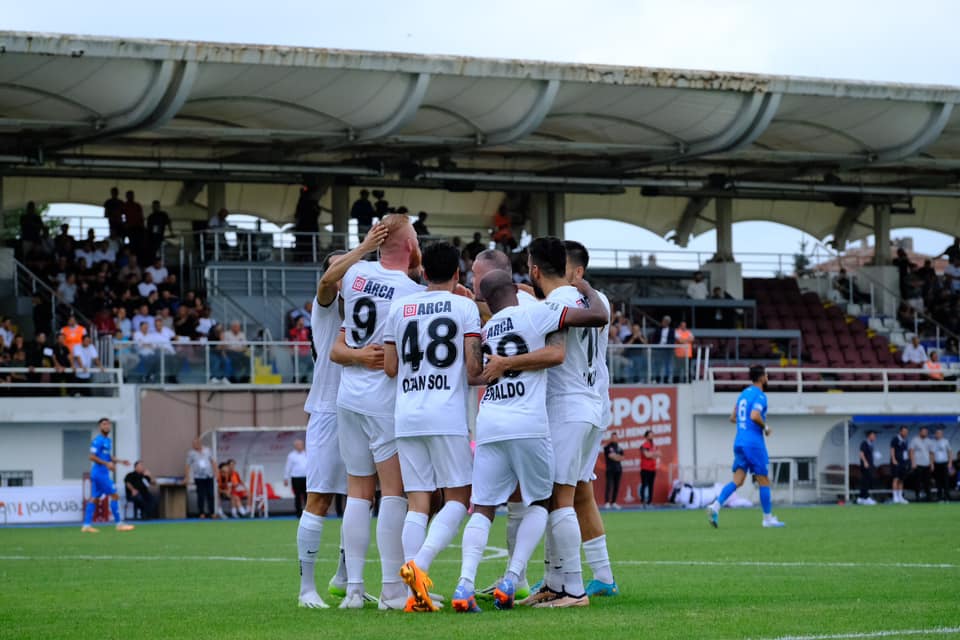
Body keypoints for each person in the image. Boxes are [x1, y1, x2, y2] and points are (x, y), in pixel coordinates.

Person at [452, 269, 607, 613]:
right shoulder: (536, 313)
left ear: (487, 301)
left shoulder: (487, 329)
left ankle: (464, 583)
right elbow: (586, 327)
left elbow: (474, 374)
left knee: (483, 508)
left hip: (490, 422)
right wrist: (585, 288)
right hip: (528, 422)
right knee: (541, 502)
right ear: (515, 288)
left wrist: (501, 364)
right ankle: (512, 578)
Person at [328, 213, 426, 610]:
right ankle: (391, 588)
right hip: (383, 399)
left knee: (357, 493)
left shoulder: (355, 274)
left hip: (348, 396)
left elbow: (330, 280)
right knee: (393, 493)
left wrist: (365, 249)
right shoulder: (409, 292)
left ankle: (354, 590)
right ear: (410, 246)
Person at [382, 242, 483, 612]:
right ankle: (418, 566)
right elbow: (473, 370)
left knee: (418, 502)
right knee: (459, 497)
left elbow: (390, 367)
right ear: (458, 274)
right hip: (446, 414)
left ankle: (414, 594)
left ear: (423, 272)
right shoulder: (464, 307)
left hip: (407, 413)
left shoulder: (399, 308)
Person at [295, 226, 387, 609]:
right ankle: (306, 589)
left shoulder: (369, 311)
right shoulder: (326, 307)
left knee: (361, 499)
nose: (346, 276)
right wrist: (364, 248)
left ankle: (345, 578)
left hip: (364, 407)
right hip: (328, 411)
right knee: (318, 498)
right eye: (341, 270)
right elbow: (327, 281)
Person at [707, 365, 786, 528]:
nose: (767, 378)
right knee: (763, 479)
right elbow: (755, 415)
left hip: (739, 441)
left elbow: (732, 417)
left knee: (738, 480)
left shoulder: (743, 394)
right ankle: (767, 519)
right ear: (762, 377)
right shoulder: (760, 396)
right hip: (753, 443)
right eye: (766, 375)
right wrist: (765, 427)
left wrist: (745, 424)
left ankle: (715, 506)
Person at [81, 418, 135, 533]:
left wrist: (120, 461)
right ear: (100, 427)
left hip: (100, 473)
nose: (107, 426)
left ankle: (86, 525)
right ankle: (119, 524)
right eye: (104, 424)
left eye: (108, 424)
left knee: (95, 498)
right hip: (100, 474)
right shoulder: (98, 440)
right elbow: (92, 457)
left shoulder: (108, 440)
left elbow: (108, 456)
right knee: (114, 496)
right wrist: (107, 464)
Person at [185, 438, 217, 519]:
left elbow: (213, 461)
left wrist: (215, 472)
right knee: (201, 495)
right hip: (198, 477)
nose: (194, 445)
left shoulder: (207, 450)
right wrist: (187, 476)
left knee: (210, 494)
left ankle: (212, 512)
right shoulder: (191, 453)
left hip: (209, 475)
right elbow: (187, 465)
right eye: (193, 444)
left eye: (195, 444)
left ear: (199, 444)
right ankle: (201, 513)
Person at [284, 439, 308, 517]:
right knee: (297, 496)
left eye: (301, 444)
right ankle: (298, 513)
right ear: (295, 446)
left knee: (307, 496)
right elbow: (288, 467)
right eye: (298, 445)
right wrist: (286, 478)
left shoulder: (307, 454)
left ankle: (308, 512)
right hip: (296, 478)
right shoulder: (291, 455)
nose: (300, 446)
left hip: (306, 477)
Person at [909, 426, 934, 502]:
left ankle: (928, 497)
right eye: (923, 431)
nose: (925, 433)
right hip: (918, 464)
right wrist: (913, 462)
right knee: (917, 482)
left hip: (927, 464)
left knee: (927, 482)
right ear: (920, 432)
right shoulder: (914, 440)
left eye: (926, 432)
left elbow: (931, 453)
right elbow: (911, 451)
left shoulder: (929, 441)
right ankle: (917, 496)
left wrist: (932, 464)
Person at [649, 315, 675, 383]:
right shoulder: (658, 329)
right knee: (658, 364)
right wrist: (656, 345)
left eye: (665, 321)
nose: (664, 322)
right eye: (663, 321)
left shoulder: (672, 330)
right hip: (659, 349)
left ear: (668, 322)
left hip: (667, 350)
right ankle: (657, 379)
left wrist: (667, 345)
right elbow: (654, 339)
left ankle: (666, 379)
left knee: (667, 364)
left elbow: (672, 340)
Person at [930, 428, 953, 502]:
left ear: (942, 434)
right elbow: (932, 454)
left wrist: (950, 463)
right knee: (938, 481)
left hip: (945, 463)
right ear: (935, 434)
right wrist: (932, 464)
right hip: (936, 464)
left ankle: (947, 497)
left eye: (939, 433)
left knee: (946, 481)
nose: (938, 435)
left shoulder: (945, 441)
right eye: (937, 433)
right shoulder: (933, 442)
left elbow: (950, 452)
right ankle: (939, 497)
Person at [889, 426, 911, 504]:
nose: (905, 433)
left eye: (906, 432)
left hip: (903, 462)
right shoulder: (895, 439)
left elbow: (906, 451)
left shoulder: (906, 440)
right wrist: (893, 459)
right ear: (900, 431)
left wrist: (907, 461)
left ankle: (900, 496)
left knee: (901, 480)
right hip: (896, 462)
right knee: (896, 479)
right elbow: (892, 449)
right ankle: (895, 497)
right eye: (904, 431)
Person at [639, 429, 661, 506]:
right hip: (645, 468)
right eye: (650, 435)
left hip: (653, 468)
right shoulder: (643, 446)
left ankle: (650, 501)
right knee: (644, 485)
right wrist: (654, 454)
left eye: (652, 435)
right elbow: (647, 455)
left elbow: (659, 454)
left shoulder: (655, 446)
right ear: (646, 437)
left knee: (651, 486)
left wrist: (651, 454)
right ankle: (643, 501)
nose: (651, 437)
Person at [857, 430, 878, 505]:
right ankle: (866, 497)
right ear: (869, 436)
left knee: (867, 481)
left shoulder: (871, 444)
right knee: (866, 481)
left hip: (870, 465)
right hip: (865, 465)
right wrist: (865, 462)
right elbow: (861, 454)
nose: (874, 437)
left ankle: (861, 497)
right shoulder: (864, 443)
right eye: (873, 436)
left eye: (875, 436)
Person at [603, 439, 624, 509]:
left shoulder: (619, 447)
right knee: (609, 485)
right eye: (613, 437)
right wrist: (617, 457)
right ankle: (607, 502)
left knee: (616, 486)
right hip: (610, 469)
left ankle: (613, 502)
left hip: (618, 469)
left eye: (616, 437)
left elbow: (622, 457)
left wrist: (615, 456)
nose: (615, 438)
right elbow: (610, 456)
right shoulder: (608, 447)